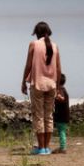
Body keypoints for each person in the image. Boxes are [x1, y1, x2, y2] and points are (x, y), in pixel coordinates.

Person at [21, 21, 62, 155]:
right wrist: (59, 86)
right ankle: (47, 148)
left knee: (38, 116)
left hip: (37, 84)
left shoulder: (33, 44)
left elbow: (28, 65)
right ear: (48, 32)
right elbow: (58, 68)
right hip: (52, 85)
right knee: (48, 116)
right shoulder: (55, 46)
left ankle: (41, 147)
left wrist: (23, 82)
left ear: (36, 33)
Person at [53, 73, 69, 154]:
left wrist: (55, 97)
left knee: (62, 131)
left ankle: (63, 147)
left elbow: (62, 99)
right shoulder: (63, 89)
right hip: (63, 115)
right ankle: (62, 146)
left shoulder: (61, 90)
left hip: (61, 116)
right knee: (61, 131)